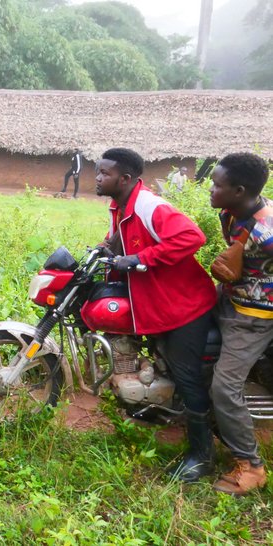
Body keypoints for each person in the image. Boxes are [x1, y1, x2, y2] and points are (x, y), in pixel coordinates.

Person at [96, 147, 218, 482]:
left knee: (187, 375)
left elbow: (193, 236)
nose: (98, 178)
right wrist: (108, 250)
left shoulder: (148, 205)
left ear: (125, 179)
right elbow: (122, 243)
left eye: (104, 173)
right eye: (98, 171)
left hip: (184, 306)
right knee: (162, 360)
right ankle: (160, 409)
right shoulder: (120, 206)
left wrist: (140, 259)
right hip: (158, 305)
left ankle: (201, 456)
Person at [207, 152, 272, 495]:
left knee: (225, 387)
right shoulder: (230, 213)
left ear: (240, 190)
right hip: (229, 296)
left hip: (253, 317)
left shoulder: (268, 231)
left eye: (218, 185)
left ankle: (251, 466)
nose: (211, 190)